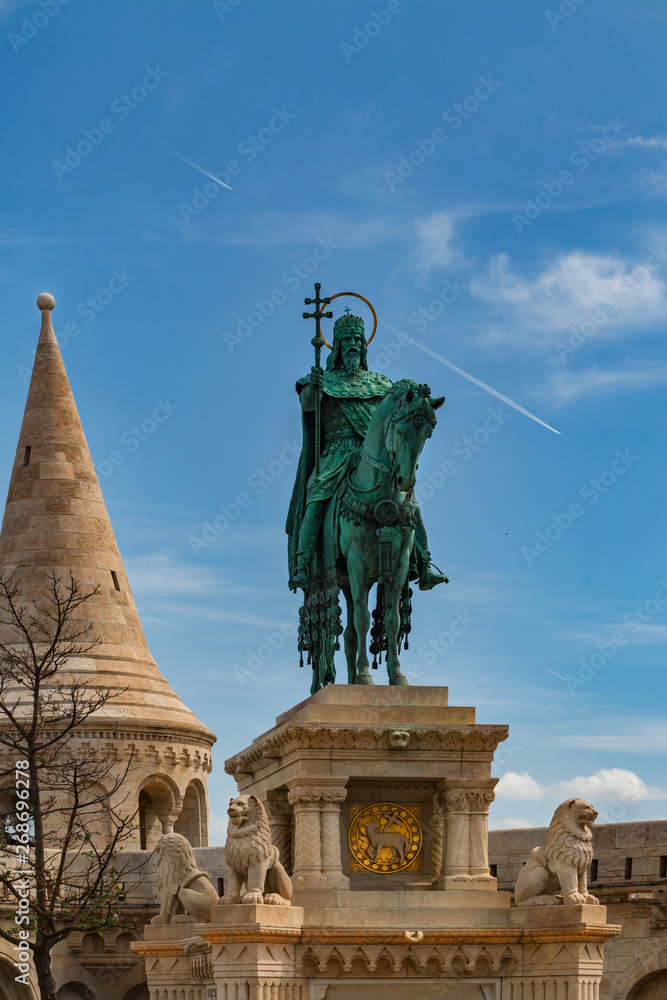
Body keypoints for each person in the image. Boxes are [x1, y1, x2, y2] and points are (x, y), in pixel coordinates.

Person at [286, 310, 446, 592]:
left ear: (364, 346)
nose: (352, 345)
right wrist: (313, 388)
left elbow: (396, 415)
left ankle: (423, 561)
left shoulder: (381, 383)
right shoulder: (324, 380)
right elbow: (308, 404)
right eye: (346, 340)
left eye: (357, 341)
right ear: (336, 345)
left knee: (409, 502)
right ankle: (303, 561)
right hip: (336, 453)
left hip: (372, 455)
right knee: (316, 496)